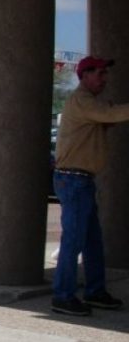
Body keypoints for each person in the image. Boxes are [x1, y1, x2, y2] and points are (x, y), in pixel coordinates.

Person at [51, 55, 129, 316]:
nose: (104, 78)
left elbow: (107, 116)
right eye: (100, 73)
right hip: (73, 179)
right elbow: (110, 114)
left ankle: (95, 291)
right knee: (73, 240)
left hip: (81, 180)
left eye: (106, 73)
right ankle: (62, 296)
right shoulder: (82, 101)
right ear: (84, 75)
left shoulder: (89, 102)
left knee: (92, 240)